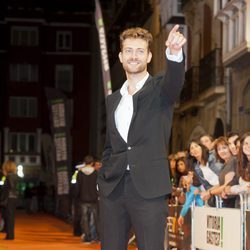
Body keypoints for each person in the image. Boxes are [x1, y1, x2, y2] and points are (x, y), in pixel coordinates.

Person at [97, 25, 186, 250]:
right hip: (113, 190)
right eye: (128, 50)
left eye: (139, 50)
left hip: (149, 190)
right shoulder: (113, 100)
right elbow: (111, 145)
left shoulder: (160, 90)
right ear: (120, 56)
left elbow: (175, 81)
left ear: (148, 55)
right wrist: (103, 180)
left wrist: (174, 53)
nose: (133, 55)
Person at [75, 155, 99, 243]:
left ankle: (87, 237)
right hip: (94, 199)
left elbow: (77, 187)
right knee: (96, 218)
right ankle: (98, 237)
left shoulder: (80, 173)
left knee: (85, 219)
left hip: (83, 199)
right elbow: (98, 186)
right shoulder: (96, 173)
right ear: (92, 163)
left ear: (84, 163)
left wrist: (76, 197)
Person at [0, 160, 18, 240]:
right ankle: (9, 234)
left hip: (8, 198)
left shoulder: (9, 176)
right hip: (12, 198)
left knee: (9, 217)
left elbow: (9, 188)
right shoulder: (14, 176)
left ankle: (10, 235)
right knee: (9, 216)